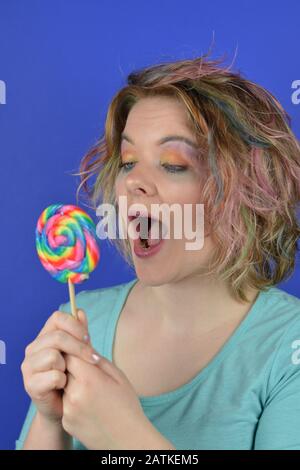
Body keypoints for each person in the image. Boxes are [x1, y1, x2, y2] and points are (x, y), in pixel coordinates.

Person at [16, 52, 300, 450]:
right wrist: (50, 419)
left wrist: (125, 436)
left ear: (249, 192)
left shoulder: (289, 345)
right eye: (129, 161)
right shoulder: (79, 324)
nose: (133, 183)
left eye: (173, 164)